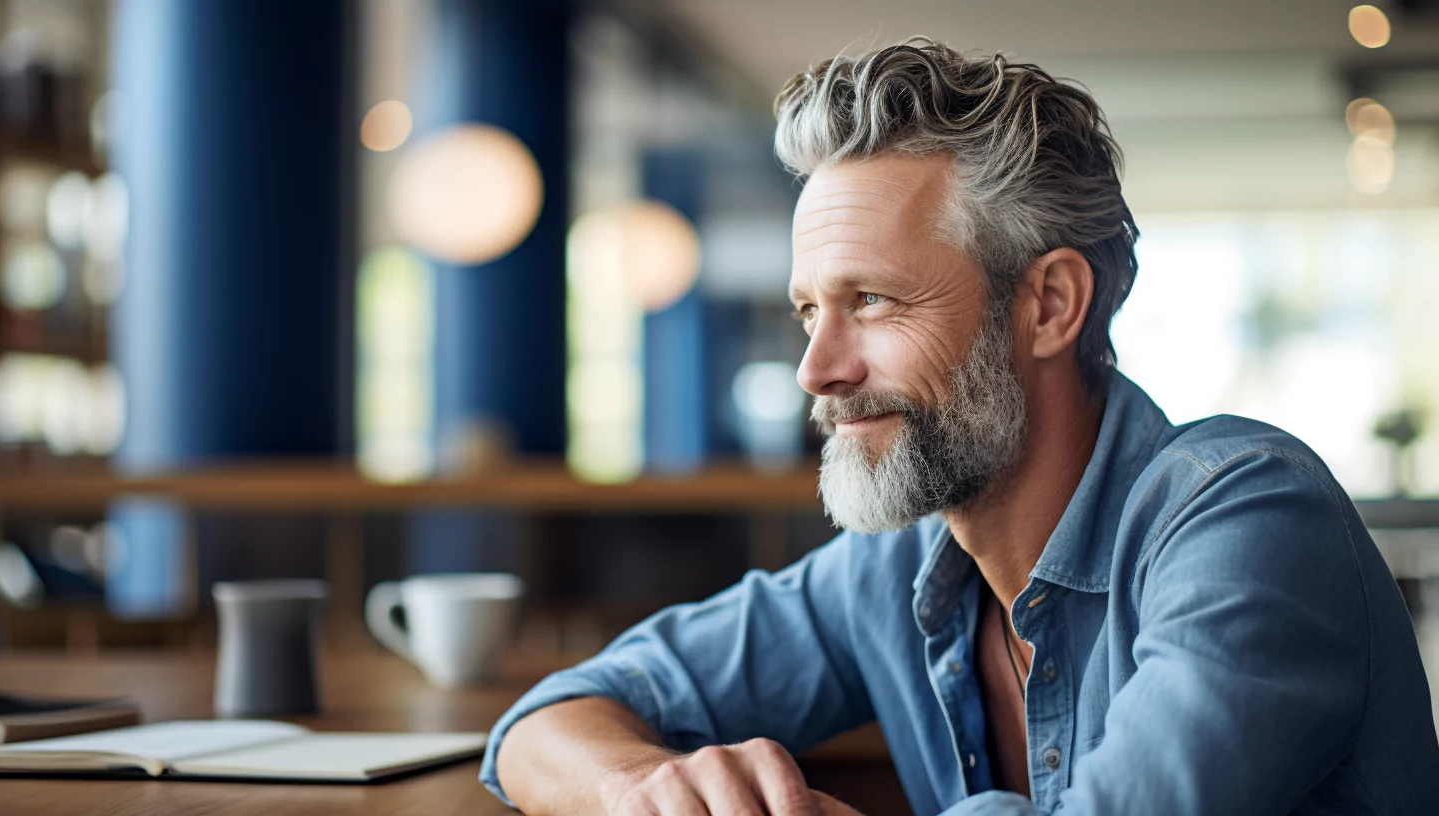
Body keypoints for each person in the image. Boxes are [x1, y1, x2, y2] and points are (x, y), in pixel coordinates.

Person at [481, 38, 1439, 815]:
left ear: (1051, 305)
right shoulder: (895, 569)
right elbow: (547, 718)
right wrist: (641, 787)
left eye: (875, 301)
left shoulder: (1246, 514)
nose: (817, 369)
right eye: (811, 311)